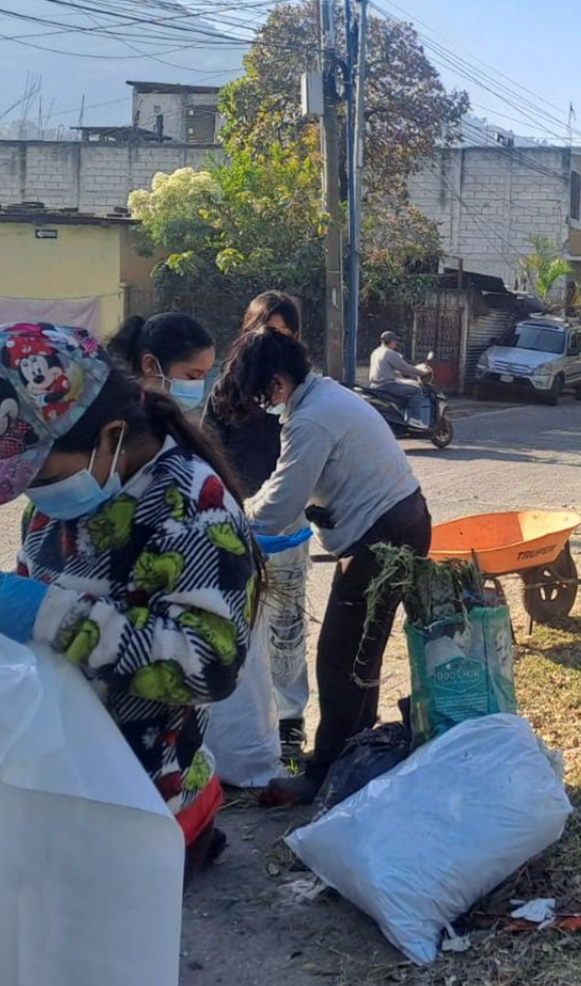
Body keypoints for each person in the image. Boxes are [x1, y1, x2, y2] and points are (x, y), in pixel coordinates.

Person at [0, 322, 260, 883]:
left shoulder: (194, 508)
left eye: (37, 474)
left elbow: (209, 666)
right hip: (64, 781)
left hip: (144, 805)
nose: (30, 494)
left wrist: (44, 614)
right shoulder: (59, 501)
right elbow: (38, 596)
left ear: (109, 434)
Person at [213, 327, 430, 805]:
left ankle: (325, 770)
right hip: (399, 524)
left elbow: (280, 503)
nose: (263, 406)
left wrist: (230, 518)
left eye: (259, 395)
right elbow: (287, 486)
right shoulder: (326, 395)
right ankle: (356, 755)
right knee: (361, 653)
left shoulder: (312, 418)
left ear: (276, 382)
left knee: (338, 655)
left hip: (384, 536)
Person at [204, 291, 311, 760]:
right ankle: (244, 725)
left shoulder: (299, 393)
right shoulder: (224, 391)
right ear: (246, 333)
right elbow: (206, 456)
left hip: (285, 527)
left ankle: (290, 720)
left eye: (282, 334)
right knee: (235, 625)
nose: (271, 342)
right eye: (263, 330)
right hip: (234, 525)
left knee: (286, 629)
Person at [108, 311, 215, 414]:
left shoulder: (171, 421)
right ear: (150, 365)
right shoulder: (121, 423)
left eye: (204, 376)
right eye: (193, 376)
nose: (199, 386)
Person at [368, 329, 431, 429]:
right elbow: (404, 367)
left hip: (375, 385)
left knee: (407, 384)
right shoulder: (389, 353)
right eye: (395, 341)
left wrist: (400, 374)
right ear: (392, 341)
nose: (396, 344)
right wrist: (422, 372)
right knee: (416, 390)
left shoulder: (376, 352)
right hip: (386, 386)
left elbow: (385, 369)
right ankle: (415, 419)